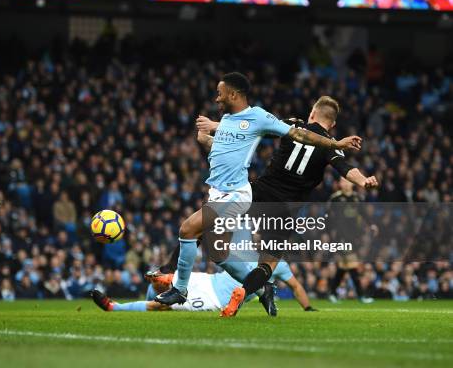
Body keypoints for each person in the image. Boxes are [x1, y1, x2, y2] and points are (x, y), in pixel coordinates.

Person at [154, 73, 362, 307]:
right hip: (268, 203)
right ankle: (263, 289)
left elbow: (296, 133)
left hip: (247, 193)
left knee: (190, 228)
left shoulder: (270, 119)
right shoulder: (231, 120)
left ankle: (176, 283)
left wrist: (335, 144)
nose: (216, 99)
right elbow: (346, 169)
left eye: (219, 93)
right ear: (332, 123)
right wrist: (209, 136)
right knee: (223, 255)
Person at [195, 95, 378, 317]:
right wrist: (364, 181)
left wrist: (215, 125)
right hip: (286, 209)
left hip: (259, 192)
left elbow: (256, 127)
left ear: (312, 114)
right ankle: (243, 292)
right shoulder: (330, 146)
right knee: (268, 263)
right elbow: (346, 168)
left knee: (211, 219)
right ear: (334, 124)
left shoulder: (293, 125)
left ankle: (175, 270)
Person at [91, 260, 316, 314]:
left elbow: (295, 286)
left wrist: (307, 309)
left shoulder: (279, 264)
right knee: (165, 282)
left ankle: (114, 307)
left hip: (215, 298)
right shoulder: (245, 246)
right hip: (207, 279)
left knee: (162, 306)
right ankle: (163, 278)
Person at [328, 178, 375, 304]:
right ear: (339, 184)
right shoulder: (336, 198)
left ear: (351, 183)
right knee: (352, 264)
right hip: (341, 236)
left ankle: (332, 293)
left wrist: (371, 225)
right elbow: (328, 216)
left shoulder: (357, 198)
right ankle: (361, 295)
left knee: (344, 266)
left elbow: (364, 214)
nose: (345, 183)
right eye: (342, 181)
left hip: (354, 236)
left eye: (347, 181)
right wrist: (328, 233)